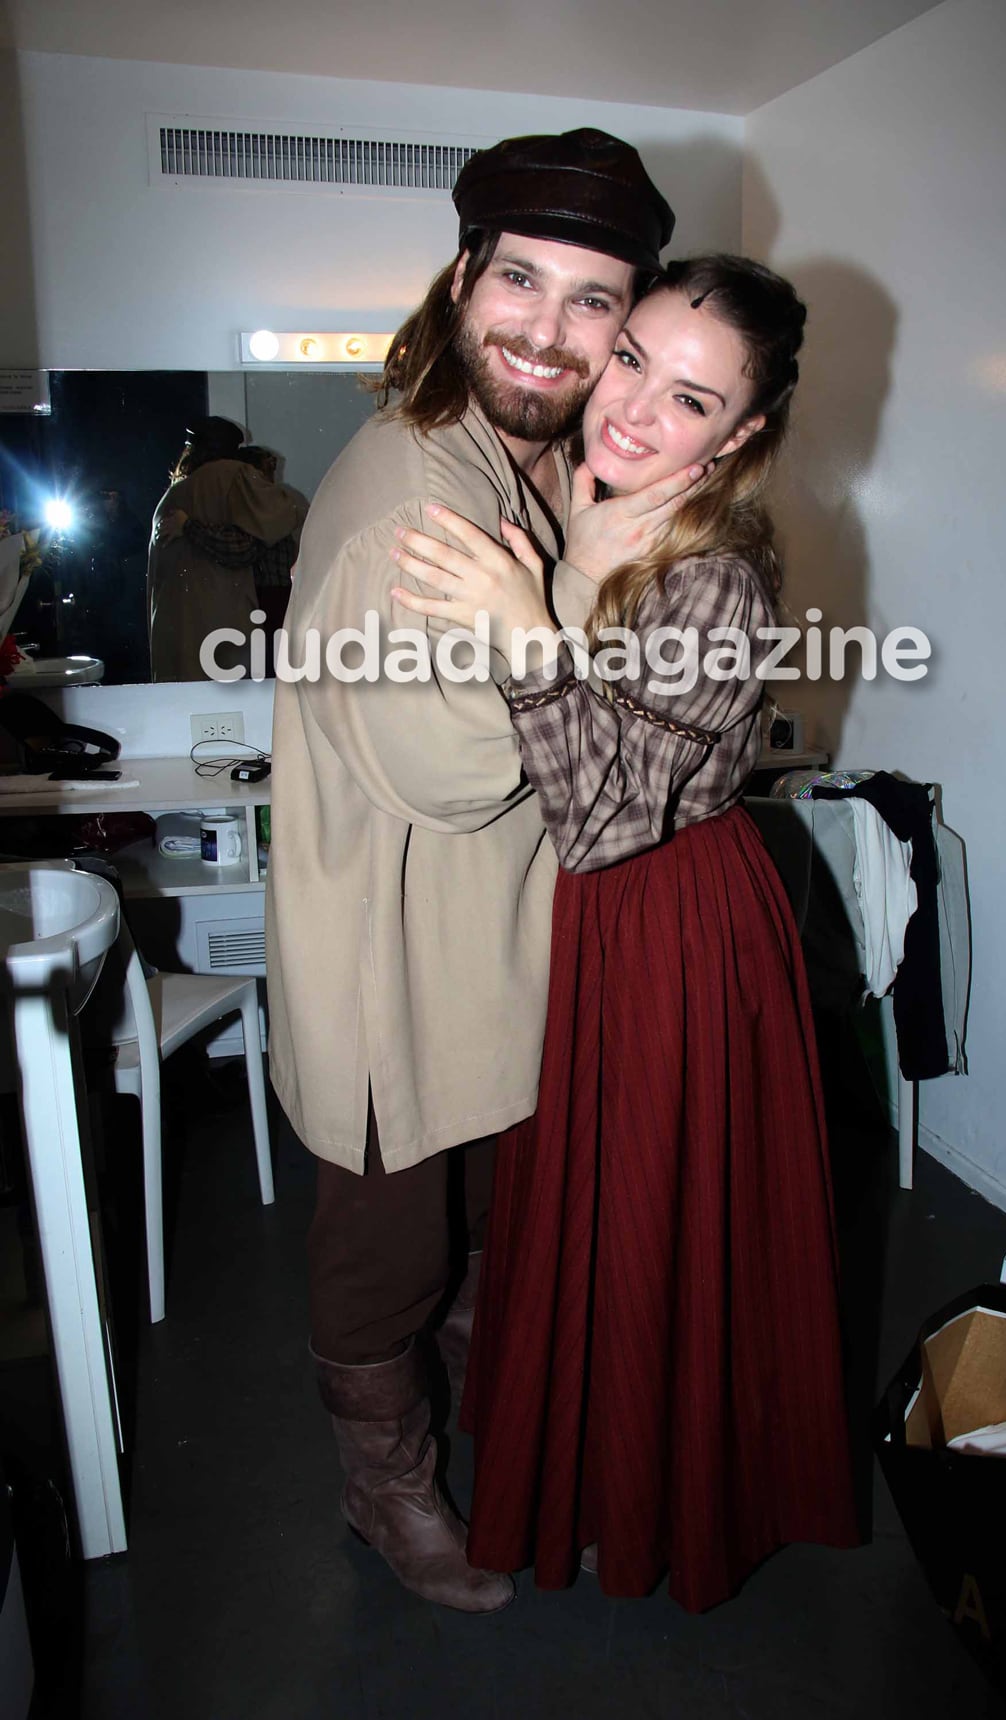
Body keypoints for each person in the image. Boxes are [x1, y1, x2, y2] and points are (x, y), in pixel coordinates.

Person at [264, 129, 704, 1616]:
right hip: (396, 960)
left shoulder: (517, 462)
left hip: (500, 955)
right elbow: (448, 772)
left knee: (494, 1240)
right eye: (519, 278)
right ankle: (387, 1491)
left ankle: (503, 1463)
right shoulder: (415, 494)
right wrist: (572, 596)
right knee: (384, 1257)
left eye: (594, 302)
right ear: (461, 280)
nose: (546, 327)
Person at [390, 255, 857, 1613]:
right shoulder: (583, 505)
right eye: (634, 356)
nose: (636, 408)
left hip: (671, 929)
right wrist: (562, 577)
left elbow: (601, 816)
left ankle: (659, 1504)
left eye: (693, 397)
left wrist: (524, 624)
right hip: (598, 925)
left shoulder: (715, 579)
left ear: (741, 436)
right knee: (585, 1210)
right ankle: (589, 1474)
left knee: (654, 1219)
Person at [147, 417, 306, 680]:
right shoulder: (230, 476)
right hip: (219, 639)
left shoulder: (175, 494)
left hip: (176, 639)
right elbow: (289, 512)